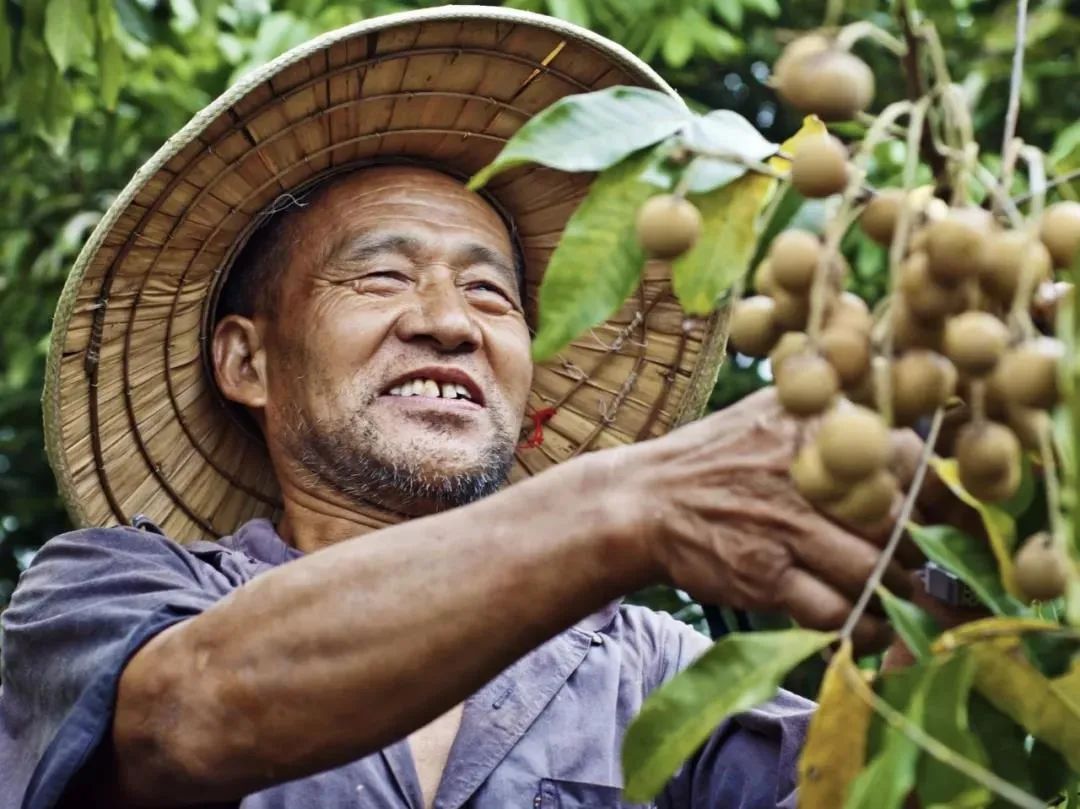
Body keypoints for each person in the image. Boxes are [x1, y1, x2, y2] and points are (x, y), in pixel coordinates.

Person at [1, 7, 929, 808]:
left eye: (492, 295)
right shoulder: (110, 591)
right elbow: (187, 714)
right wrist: (626, 504)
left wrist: (954, 575)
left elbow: (885, 787)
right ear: (248, 360)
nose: (450, 323)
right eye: (381, 275)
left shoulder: (648, 667)